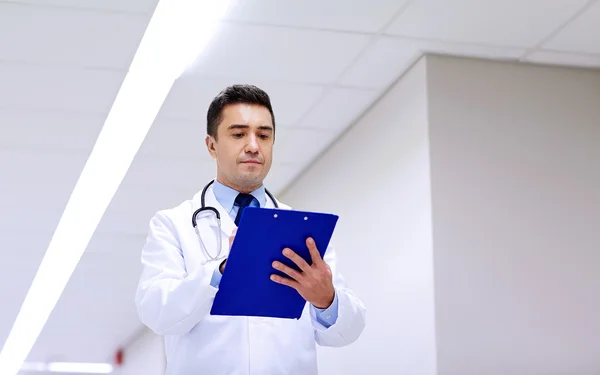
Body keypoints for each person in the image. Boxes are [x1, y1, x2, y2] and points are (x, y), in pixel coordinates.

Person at [135, 84, 366, 375]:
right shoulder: (173, 224)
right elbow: (156, 312)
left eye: (264, 135)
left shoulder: (303, 230)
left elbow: (348, 330)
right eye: (238, 134)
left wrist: (326, 299)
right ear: (212, 145)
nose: (254, 145)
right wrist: (220, 271)